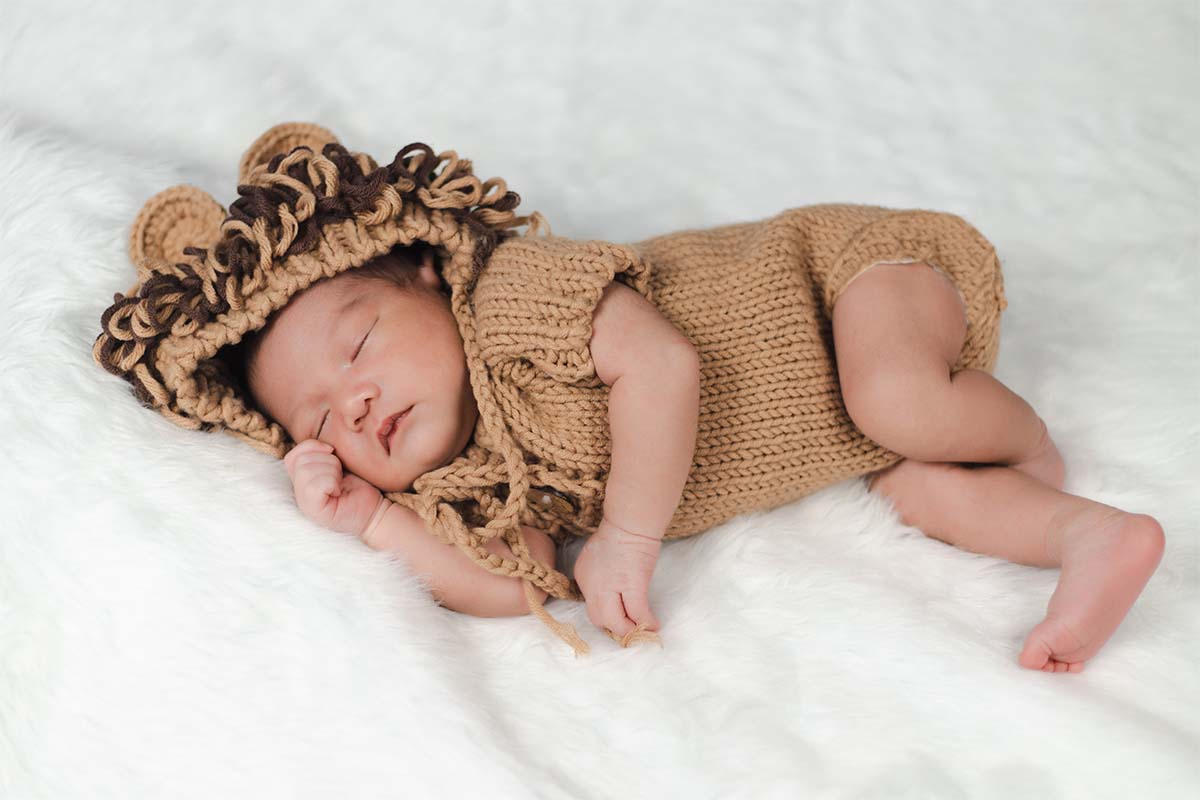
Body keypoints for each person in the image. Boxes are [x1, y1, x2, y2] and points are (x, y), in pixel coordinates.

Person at [95, 122, 1165, 667]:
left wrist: (630, 538)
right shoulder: (469, 481)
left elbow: (662, 364)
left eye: (359, 344)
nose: (357, 404)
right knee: (917, 487)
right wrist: (372, 518)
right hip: (852, 429)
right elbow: (515, 584)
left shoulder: (507, 298)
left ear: (421, 269)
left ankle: (1024, 434)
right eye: (324, 420)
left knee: (896, 399)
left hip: (852, 279)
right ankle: (1094, 538)